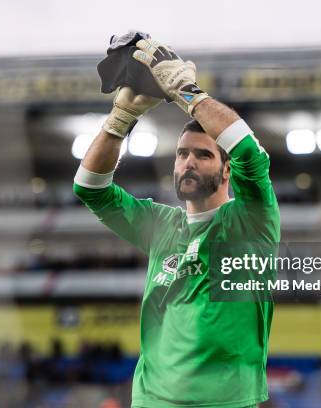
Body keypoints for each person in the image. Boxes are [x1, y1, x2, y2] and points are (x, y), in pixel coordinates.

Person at [73, 38, 280, 408]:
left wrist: (188, 92)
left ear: (226, 169)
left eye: (203, 154)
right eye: (182, 154)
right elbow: (91, 188)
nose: (189, 162)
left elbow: (249, 152)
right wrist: (121, 118)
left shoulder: (250, 220)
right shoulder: (159, 224)